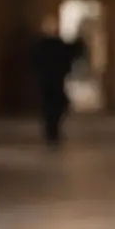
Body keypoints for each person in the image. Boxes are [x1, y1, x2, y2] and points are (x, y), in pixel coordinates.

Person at [31, 15, 84, 147]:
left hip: (47, 81)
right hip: (54, 81)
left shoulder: (41, 45)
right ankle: (52, 133)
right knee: (55, 108)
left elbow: (33, 62)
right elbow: (74, 51)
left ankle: (51, 134)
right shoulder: (53, 44)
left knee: (50, 108)